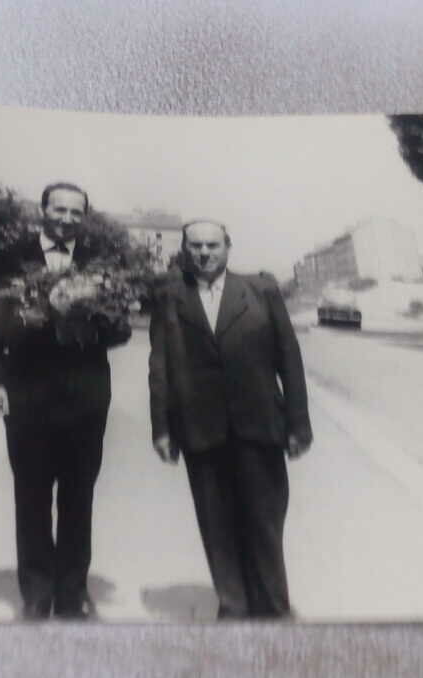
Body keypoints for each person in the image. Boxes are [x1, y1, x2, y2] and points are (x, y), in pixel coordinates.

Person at [0, 182, 132, 620]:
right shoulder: (12, 259)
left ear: (85, 216)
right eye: (58, 209)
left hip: (85, 395)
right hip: (27, 393)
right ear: (42, 210)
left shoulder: (102, 263)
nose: (66, 218)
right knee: (30, 494)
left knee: (79, 495)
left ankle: (73, 592)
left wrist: (92, 317)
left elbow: (121, 330)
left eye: (75, 212)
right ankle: (36, 592)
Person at [147, 220, 313, 619]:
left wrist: (298, 423)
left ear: (228, 247)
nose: (204, 253)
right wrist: (162, 428)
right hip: (200, 428)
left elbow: (288, 358)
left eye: (212, 245)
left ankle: (273, 607)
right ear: (185, 249)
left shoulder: (261, 290)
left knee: (265, 522)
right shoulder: (170, 296)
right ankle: (233, 605)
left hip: (259, 426)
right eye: (196, 246)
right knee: (216, 524)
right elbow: (160, 366)